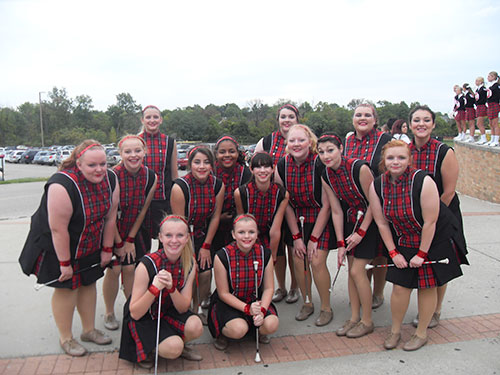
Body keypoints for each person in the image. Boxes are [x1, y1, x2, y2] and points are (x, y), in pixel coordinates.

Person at [19, 140, 119, 356]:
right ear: (79, 164)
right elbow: (58, 230)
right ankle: (66, 338)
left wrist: (107, 249)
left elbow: (111, 218)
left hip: (90, 239)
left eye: (103, 163)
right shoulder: (61, 184)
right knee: (68, 287)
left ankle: (88, 330)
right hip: (58, 244)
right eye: (92, 165)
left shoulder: (111, 179)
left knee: (88, 282)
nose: (100, 169)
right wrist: (65, 264)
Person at [369, 140, 465, 351]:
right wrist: (393, 253)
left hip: (434, 238)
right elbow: (382, 222)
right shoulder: (377, 184)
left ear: (410, 160)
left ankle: (421, 333)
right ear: (384, 161)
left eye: (401, 157)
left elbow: (431, 222)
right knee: (400, 287)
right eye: (391, 158)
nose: (396, 162)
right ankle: (395, 331)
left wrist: (422, 254)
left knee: (426, 285)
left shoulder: (423, 180)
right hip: (404, 237)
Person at [408, 105, 469, 329]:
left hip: (443, 217)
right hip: (415, 220)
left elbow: (449, 192)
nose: (421, 124)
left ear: (433, 124)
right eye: (417, 120)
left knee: (439, 265)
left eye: (426, 120)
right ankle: (426, 307)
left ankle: (435, 310)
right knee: (420, 265)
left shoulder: (445, 152)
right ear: (410, 125)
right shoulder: (405, 151)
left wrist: (429, 220)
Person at [119, 215, 203, 367]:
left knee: (196, 326)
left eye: (180, 235)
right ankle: (150, 350)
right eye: (169, 235)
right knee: (173, 347)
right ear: (160, 237)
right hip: (144, 317)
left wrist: (171, 289)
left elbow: (183, 307)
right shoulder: (146, 265)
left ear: (187, 238)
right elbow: (135, 312)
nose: (174, 240)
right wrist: (154, 289)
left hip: (167, 310)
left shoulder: (190, 263)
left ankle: (175, 341)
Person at [275, 124, 335, 326]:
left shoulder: (320, 163)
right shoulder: (282, 166)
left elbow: (327, 205)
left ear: (310, 142)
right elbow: (286, 204)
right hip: (296, 218)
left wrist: (314, 238)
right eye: (292, 140)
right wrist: (296, 238)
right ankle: (307, 302)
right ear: (287, 144)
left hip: (320, 216)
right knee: (299, 259)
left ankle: (326, 307)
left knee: (316, 260)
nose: (296, 144)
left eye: (301, 140)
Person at [318, 134, 376, 338]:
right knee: (351, 270)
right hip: (352, 219)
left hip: (372, 220)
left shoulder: (359, 168)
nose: (326, 156)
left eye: (330, 150)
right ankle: (353, 318)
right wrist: (341, 243)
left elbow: (374, 203)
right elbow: (336, 210)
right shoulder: (325, 174)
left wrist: (361, 233)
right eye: (321, 152)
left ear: (341, 148)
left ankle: (367, 320)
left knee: (358, 271)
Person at [102, 135, 157, 330]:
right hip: (112, 229)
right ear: (120, 154)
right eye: (128, 151)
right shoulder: (111, 176)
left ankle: (132, 308)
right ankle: (109, 312)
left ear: (145, 152)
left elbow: (143, 210)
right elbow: (109, 213)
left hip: (136, 230)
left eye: (137, 151)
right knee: (115, 269)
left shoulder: (151, 176)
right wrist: (119, 243)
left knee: (132, 268)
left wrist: (130, 239)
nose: (133, 155)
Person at [344, 103, 392, 309]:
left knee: (379, 254)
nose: (362, 118)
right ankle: (360, 292)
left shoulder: (385, 140)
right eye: (358, 115)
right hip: (354, 208)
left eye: (367, 115)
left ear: (375, 119)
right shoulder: (348, 141)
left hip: (380, 205)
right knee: (356, 256)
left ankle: (377, 293)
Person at [208, 214, 279, 350]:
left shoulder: (265, 253)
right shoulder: (222, 256)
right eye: (241, 232)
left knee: (271, 324)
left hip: (255, 299)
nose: (247, 236)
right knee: (238, 329)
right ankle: (224, 334)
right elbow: (223, 293)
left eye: (251, 232)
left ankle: (256, 329)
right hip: (230, 302)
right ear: (233, 235)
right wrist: (247, 309)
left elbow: (269, 288)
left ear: (257, 234)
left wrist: (262, 311)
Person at [170, 146, 224, 324]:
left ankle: (198, 305)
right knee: (189, 271)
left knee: (205, 272)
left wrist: (206, 246)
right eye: (197, 162)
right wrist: (189, 249)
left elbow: (216, 216)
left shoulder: (217, 185)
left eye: (206, 162)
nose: (202, 166)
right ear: (190, 164)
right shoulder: (180, 187)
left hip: (203, 233)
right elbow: (179, 222)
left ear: (212, 165)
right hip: (182, 236)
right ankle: (185, 306)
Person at [255, 104, 300, 304]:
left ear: (297, 119)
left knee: (294, 247)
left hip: (297, 199)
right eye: (283, 117)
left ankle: (295, 287)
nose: (287, 120)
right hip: (272, 200)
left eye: (291, 116)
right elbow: (256, 165)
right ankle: (280, 286)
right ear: (278, 119)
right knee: (278, 248)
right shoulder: (267, 141)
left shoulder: (302, 137)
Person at [234, 152, 289, 266]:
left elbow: (275, 228)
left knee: (276, 258)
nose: (262, 170)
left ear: (273, 168)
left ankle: (281, 284)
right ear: (251, 169)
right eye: (258, 167)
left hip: (271, 233)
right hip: (249, 233)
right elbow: (241, 224)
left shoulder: (282, 194)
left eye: (266, 166)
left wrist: (272, 257)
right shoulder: (241, 193)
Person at [211, 135, 252, 283]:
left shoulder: (245, 173)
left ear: (238, 153)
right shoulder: (210, 172)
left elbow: (249, 200)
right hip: (213, 225)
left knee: (237, 261)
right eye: (222, 152)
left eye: (231, 151)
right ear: (216, 154)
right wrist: (217, 217)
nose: (227, 155)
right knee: (217, 260)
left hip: (238, 224)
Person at [138, 105, 178, 237]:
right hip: (140, 199)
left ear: (161, 120)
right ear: (142, 120)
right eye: (148, 117)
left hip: (163, 199)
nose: (152, 120)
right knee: (142, 242)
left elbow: (174, 173)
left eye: (155, 117)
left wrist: (175, 199)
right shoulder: (136, 141)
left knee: (165, 238)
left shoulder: (170, 142)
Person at [486, 71, 500, 147]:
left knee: (495, 123)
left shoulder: (496, 86)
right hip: (490, 105)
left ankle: (496, 140)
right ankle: (492, 138)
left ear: (494, 77)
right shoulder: (490, 85)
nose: (488, 78)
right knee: (491, 123)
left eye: (490, 76)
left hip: (494, 104)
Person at [474, 77, 488, 145]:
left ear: (481, 81)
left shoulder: (483, 89)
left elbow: (484, 98)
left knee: (479, 123)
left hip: (482, 106)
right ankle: (483, 138)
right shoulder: (477, 89)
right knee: (478, 123)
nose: (476, 82)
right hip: (478, 106)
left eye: (477, 81)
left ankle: (484, 138)